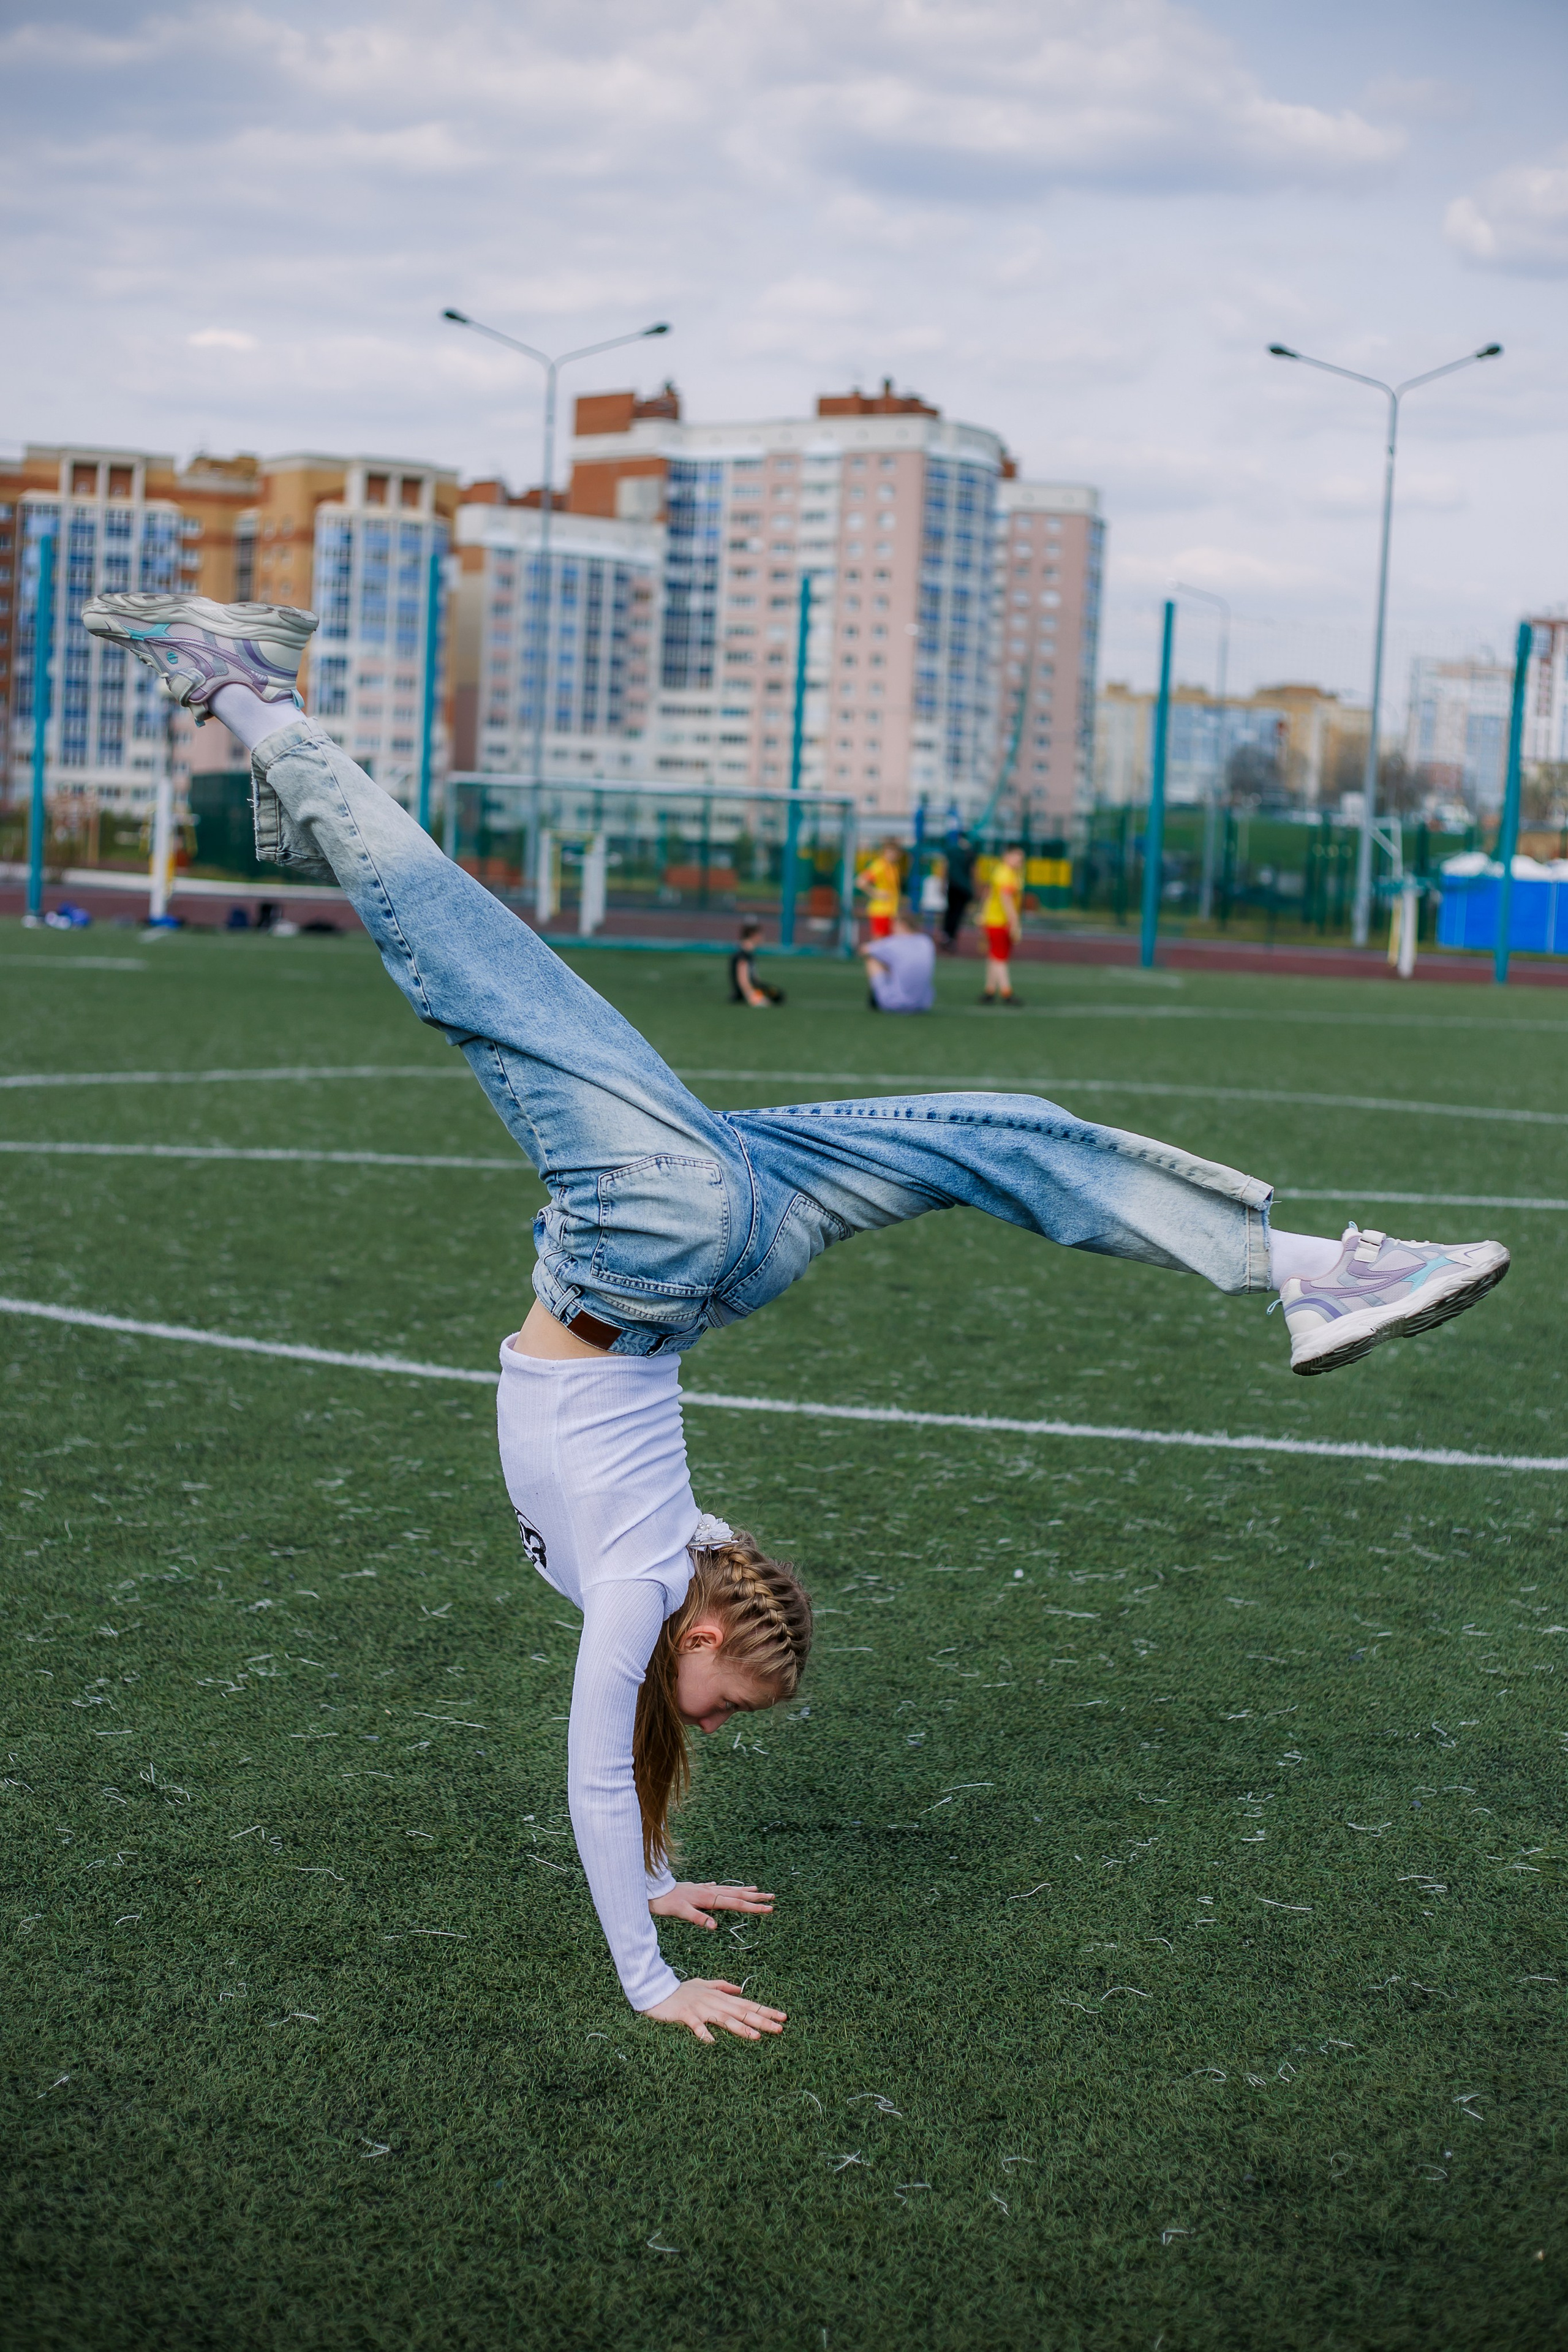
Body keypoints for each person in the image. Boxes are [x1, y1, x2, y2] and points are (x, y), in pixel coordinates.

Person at [83, 589, 1514, 2044]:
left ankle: (247, 694)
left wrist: (653, 1919)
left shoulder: (655, 1581)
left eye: (719, 1709)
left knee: (494, 952)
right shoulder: (656, 1571)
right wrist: (652, 1937)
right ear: (714, 1617)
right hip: (672, 1240)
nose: (710, 1721)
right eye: (726, 1702)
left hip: (689, 1239)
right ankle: (1304, 1270)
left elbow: (606, 1769)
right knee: (504, 965)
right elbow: (612, 1755)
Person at [859, 910, 936, 1014]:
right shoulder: (926, 942)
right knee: (895, 962)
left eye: (894, 924)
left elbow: (864, 950)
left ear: (902, 925)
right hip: (924, 1003)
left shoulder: (893, 943)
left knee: (872, 960)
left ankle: (876, 999)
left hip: (896, 1004)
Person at [978, 843, 1025, 1005]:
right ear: (1006, 856)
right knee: (1000, 957)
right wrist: (1015, 923)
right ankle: (1007, 992)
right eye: (1016, 856)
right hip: (999, 921)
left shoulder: (1005, 872)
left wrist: (982, 913)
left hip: (994, 919)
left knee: (995, 955)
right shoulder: (1005, 874)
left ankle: (990, 990)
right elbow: (1007, 901)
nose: (1019, 860)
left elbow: (988, 894)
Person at [729, 918, 784, 1008]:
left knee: (778, 995)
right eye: (760, 934)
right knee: (777, 996)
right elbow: (743, 980)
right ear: (753, 935)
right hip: (747, 992)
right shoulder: (743, 955)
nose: (762, 937)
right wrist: (754, 997)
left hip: (753, 988)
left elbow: (754, 978)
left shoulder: (748, 953)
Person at [857, 838, 903, 940]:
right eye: (890, 852)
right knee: (879, 942)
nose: (893, 855)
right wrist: (876, 893)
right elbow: (860, 882)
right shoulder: (879, 866)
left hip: (891, 911)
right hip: (880, 911)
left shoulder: (893, 867)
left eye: (895, 852)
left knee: (888, 942)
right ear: (884, 852)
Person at [941, 832, 974, 951]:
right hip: (962, 887)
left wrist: (943, 883)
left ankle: (947, 936)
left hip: (955, 886)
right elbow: (974, 871)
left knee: (951, 912)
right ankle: (950, 937)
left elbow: (945, 867)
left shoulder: (954, 850)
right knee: (957, 913)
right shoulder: (969, 852)